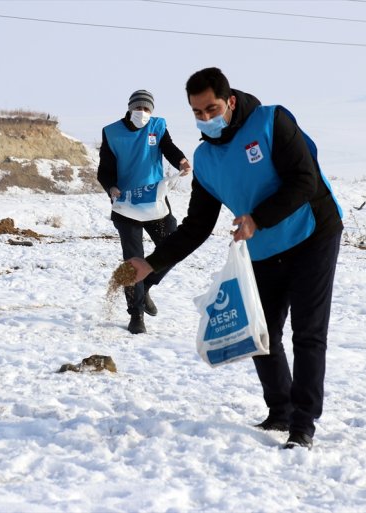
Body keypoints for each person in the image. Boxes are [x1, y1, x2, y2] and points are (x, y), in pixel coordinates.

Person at [126, 68, 343, 450]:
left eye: (212, 108)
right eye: (197, 113)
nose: (206, 118)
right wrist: (151, 264)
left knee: (308, 333)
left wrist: (258, 218)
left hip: (313, 233)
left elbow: (304, 180)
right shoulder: (205, 159)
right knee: (261, 332)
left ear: (230, 101)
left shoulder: (272, 121)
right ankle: (280, 410)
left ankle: (303, 424)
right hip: (261, 247)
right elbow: (196, 225)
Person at [98, 89, 192, 335]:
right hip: (126, 204)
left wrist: (181, 160)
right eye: (139, 108)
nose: (143, 113)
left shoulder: (157, 126)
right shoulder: (112, 132)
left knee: (173, 246)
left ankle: (147, 284)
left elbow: (169, 147)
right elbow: (104, 170)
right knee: (132, 260)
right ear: (130, 108)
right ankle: (136, 314)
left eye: (147, 109)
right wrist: (112, 187)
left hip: (154, 201)